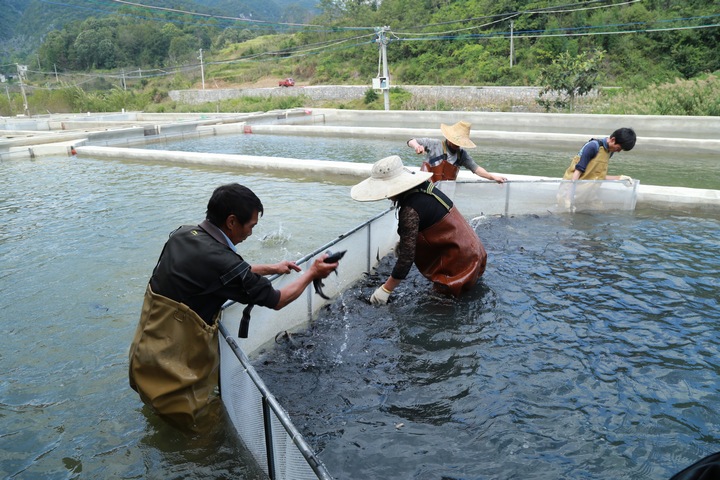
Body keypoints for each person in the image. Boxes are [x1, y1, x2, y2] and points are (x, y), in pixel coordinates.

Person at [128, 183, 339, 430]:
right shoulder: (223, 262)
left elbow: (221, 272)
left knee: (157, 417)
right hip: (174, 376)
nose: (250, 233)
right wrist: (312, 272)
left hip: (144, 360)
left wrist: (272, 267)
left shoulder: (182, 235)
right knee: (201, 436)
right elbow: (279, 299)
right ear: (231, 222)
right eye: (250, 226)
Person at [351, 155, 487, 305]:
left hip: (460, 269)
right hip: (476, 256)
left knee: (440, 306)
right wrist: (403, 242)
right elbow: (430, 221)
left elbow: (406, 260)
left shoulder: (410, 210)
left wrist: (385, 290)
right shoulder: (426, 189)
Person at [407, 120, 507, 184]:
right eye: (455, 141)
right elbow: (410, 141)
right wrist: (417, 146)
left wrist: (492, 177)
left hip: (445, 193)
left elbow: (476, 169)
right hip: (426, 188)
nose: (457, 145)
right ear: (449, 138)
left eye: (459, 143)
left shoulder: (461, 154)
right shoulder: (435, 144)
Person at [562, 127, 637, 182]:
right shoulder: (593, 147)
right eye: (618, 148)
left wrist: (620, 178)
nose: (618, 151)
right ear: (613, 140)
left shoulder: (609, 152)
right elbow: (577, 172)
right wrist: (569, 197)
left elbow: (598, 177)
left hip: (587, 193)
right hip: (571, 189)